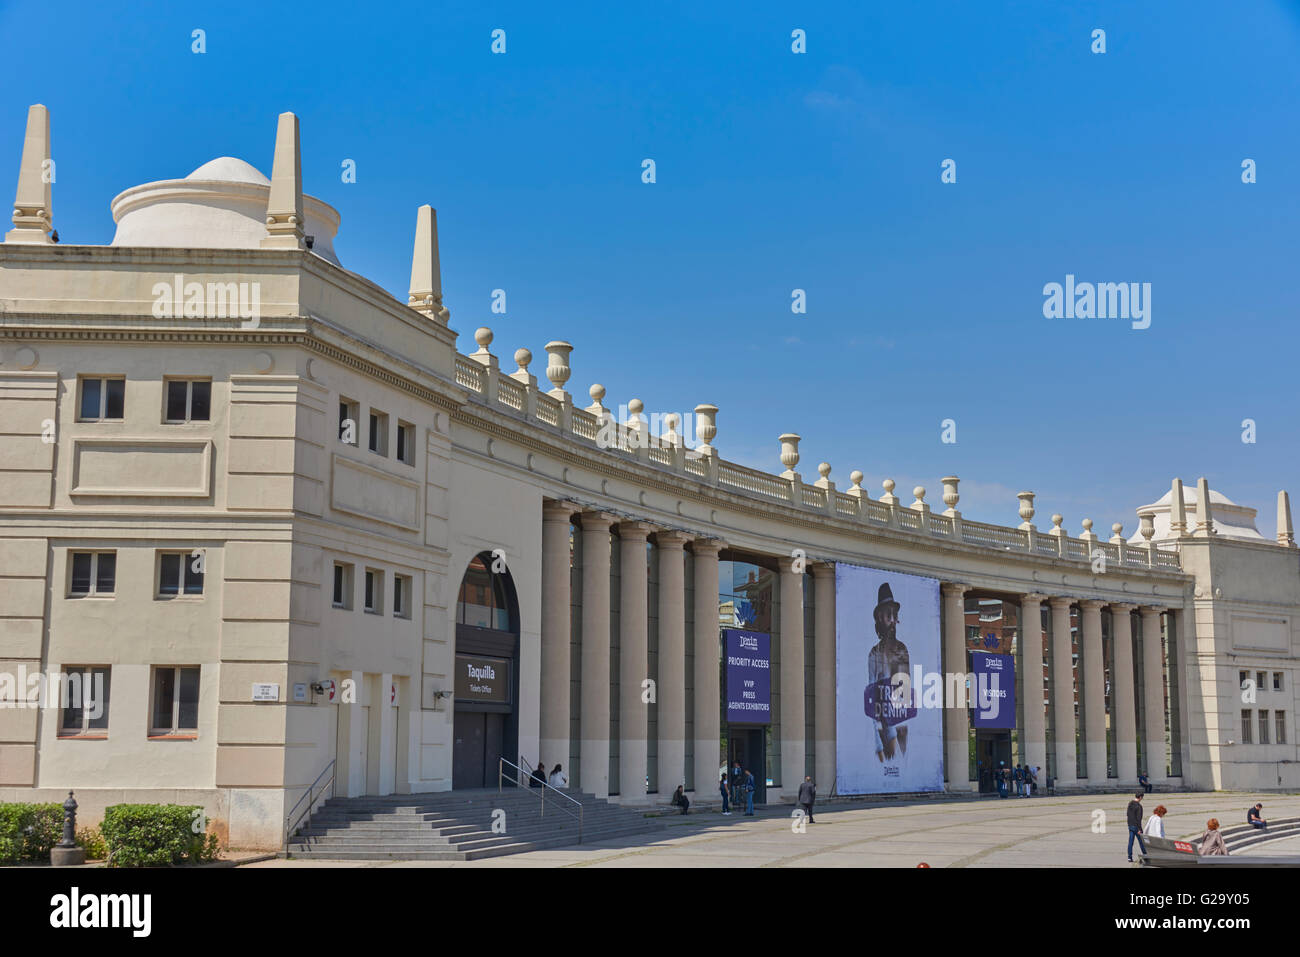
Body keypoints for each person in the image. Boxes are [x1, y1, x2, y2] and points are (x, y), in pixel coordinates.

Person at [865, 583, 911, 761]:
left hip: (902, 728)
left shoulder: (902, 649)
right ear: (878, 618)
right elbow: (872, 704)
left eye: (894, 615)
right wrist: (879, 749)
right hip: (886, 733)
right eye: (887, 615)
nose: (892, 620)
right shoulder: (874, 654)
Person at [1126, 792, 1147, 862]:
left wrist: (1129, 824)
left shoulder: (1130, 804)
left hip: (1130, 825)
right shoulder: (1139, 806)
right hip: (1136, 826)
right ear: (1140, 797)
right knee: (1141, 842)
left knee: (1130, 842)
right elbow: (1139, 819)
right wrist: (1139, 829)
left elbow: (1128, 814)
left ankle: (1129, 857)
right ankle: (1146, 855)